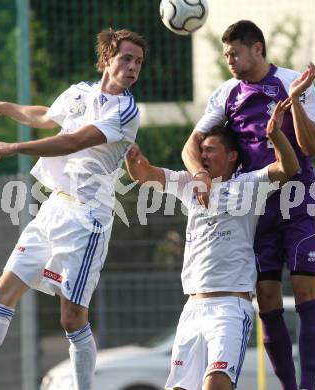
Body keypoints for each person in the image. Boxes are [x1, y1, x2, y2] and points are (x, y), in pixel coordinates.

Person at [0, 28, 147, 390]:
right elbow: (47, 117)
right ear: (106, 59)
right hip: (54, 208)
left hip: (87, 220)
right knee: (2, 292)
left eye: (139, 62)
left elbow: (71, 141)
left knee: (71, 319)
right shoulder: (80, 92)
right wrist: (2, 107)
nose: (133, 67)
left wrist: (14, 148)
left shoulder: (127, 111)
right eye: (126, 58)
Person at [182, 20, 315, 390]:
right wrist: (199, 173)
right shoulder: (227, 94)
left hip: (299, 197)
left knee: (306, 286)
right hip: (256, 203)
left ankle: (307, 386)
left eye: (235, 52)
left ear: (257, 49)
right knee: (267, 296)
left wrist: (294, 105)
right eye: (226, 53)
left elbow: (311, 147)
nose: (229, 59)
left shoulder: (293, 82)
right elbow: (191, 145)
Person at [125, 100, 299, 390]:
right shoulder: (189, 185)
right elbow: (142, 174)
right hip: (193, 307)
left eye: (210, 149)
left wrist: (275, 134)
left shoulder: (249, 184)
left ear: (231, 156)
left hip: (230, 305)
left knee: (216, 383)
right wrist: (132, 157)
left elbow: (288, 167)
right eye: (201, 149)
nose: (202, 154)